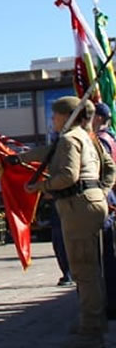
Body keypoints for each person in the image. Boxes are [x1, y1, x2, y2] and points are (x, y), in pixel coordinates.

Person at [15, 96, 114, 346]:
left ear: (64, 116)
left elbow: (68, 175)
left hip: (77, 207)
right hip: (90, 204)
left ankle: (90, 329)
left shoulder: (70, 139)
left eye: (54, 115)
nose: (51, 120)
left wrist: (40, 186)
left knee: (84, 270)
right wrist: (100, 190)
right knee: (91, 268)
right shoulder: (87, 137)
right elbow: (109, 167)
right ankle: (93, 320)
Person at [93, 101, 116, 319]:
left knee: (103, 256)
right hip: (109, 197)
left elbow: (102, 170)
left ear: (99, 118)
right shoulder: (111, 136)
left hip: (103, 198)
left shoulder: (101, 141)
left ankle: (109, 303)